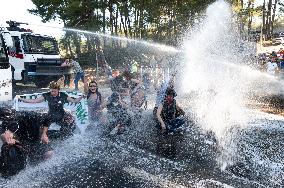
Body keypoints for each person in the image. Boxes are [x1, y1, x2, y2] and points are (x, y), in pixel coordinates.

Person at [17, 81, 84, 140]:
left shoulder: (63, 95)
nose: (53, 93)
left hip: (61, 115)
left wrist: (81, 97)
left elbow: (74, 101)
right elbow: (34, 101)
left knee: (70, 124)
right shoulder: (47, 95)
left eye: (55, 91)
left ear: (58, 90)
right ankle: (41, 137)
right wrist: (21, 99)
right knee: (41, 126)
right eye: (52, 91)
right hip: (51, 116)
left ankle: (69, 137)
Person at [0, 108, 52, 177]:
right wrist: (8, 138)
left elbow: (48, 118)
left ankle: (43, 169)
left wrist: (44, 134)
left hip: (35, 141)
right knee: (9, 147)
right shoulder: (5, 123)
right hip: (22, 142)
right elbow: (3, 134)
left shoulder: (29, 116)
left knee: (49, 153)